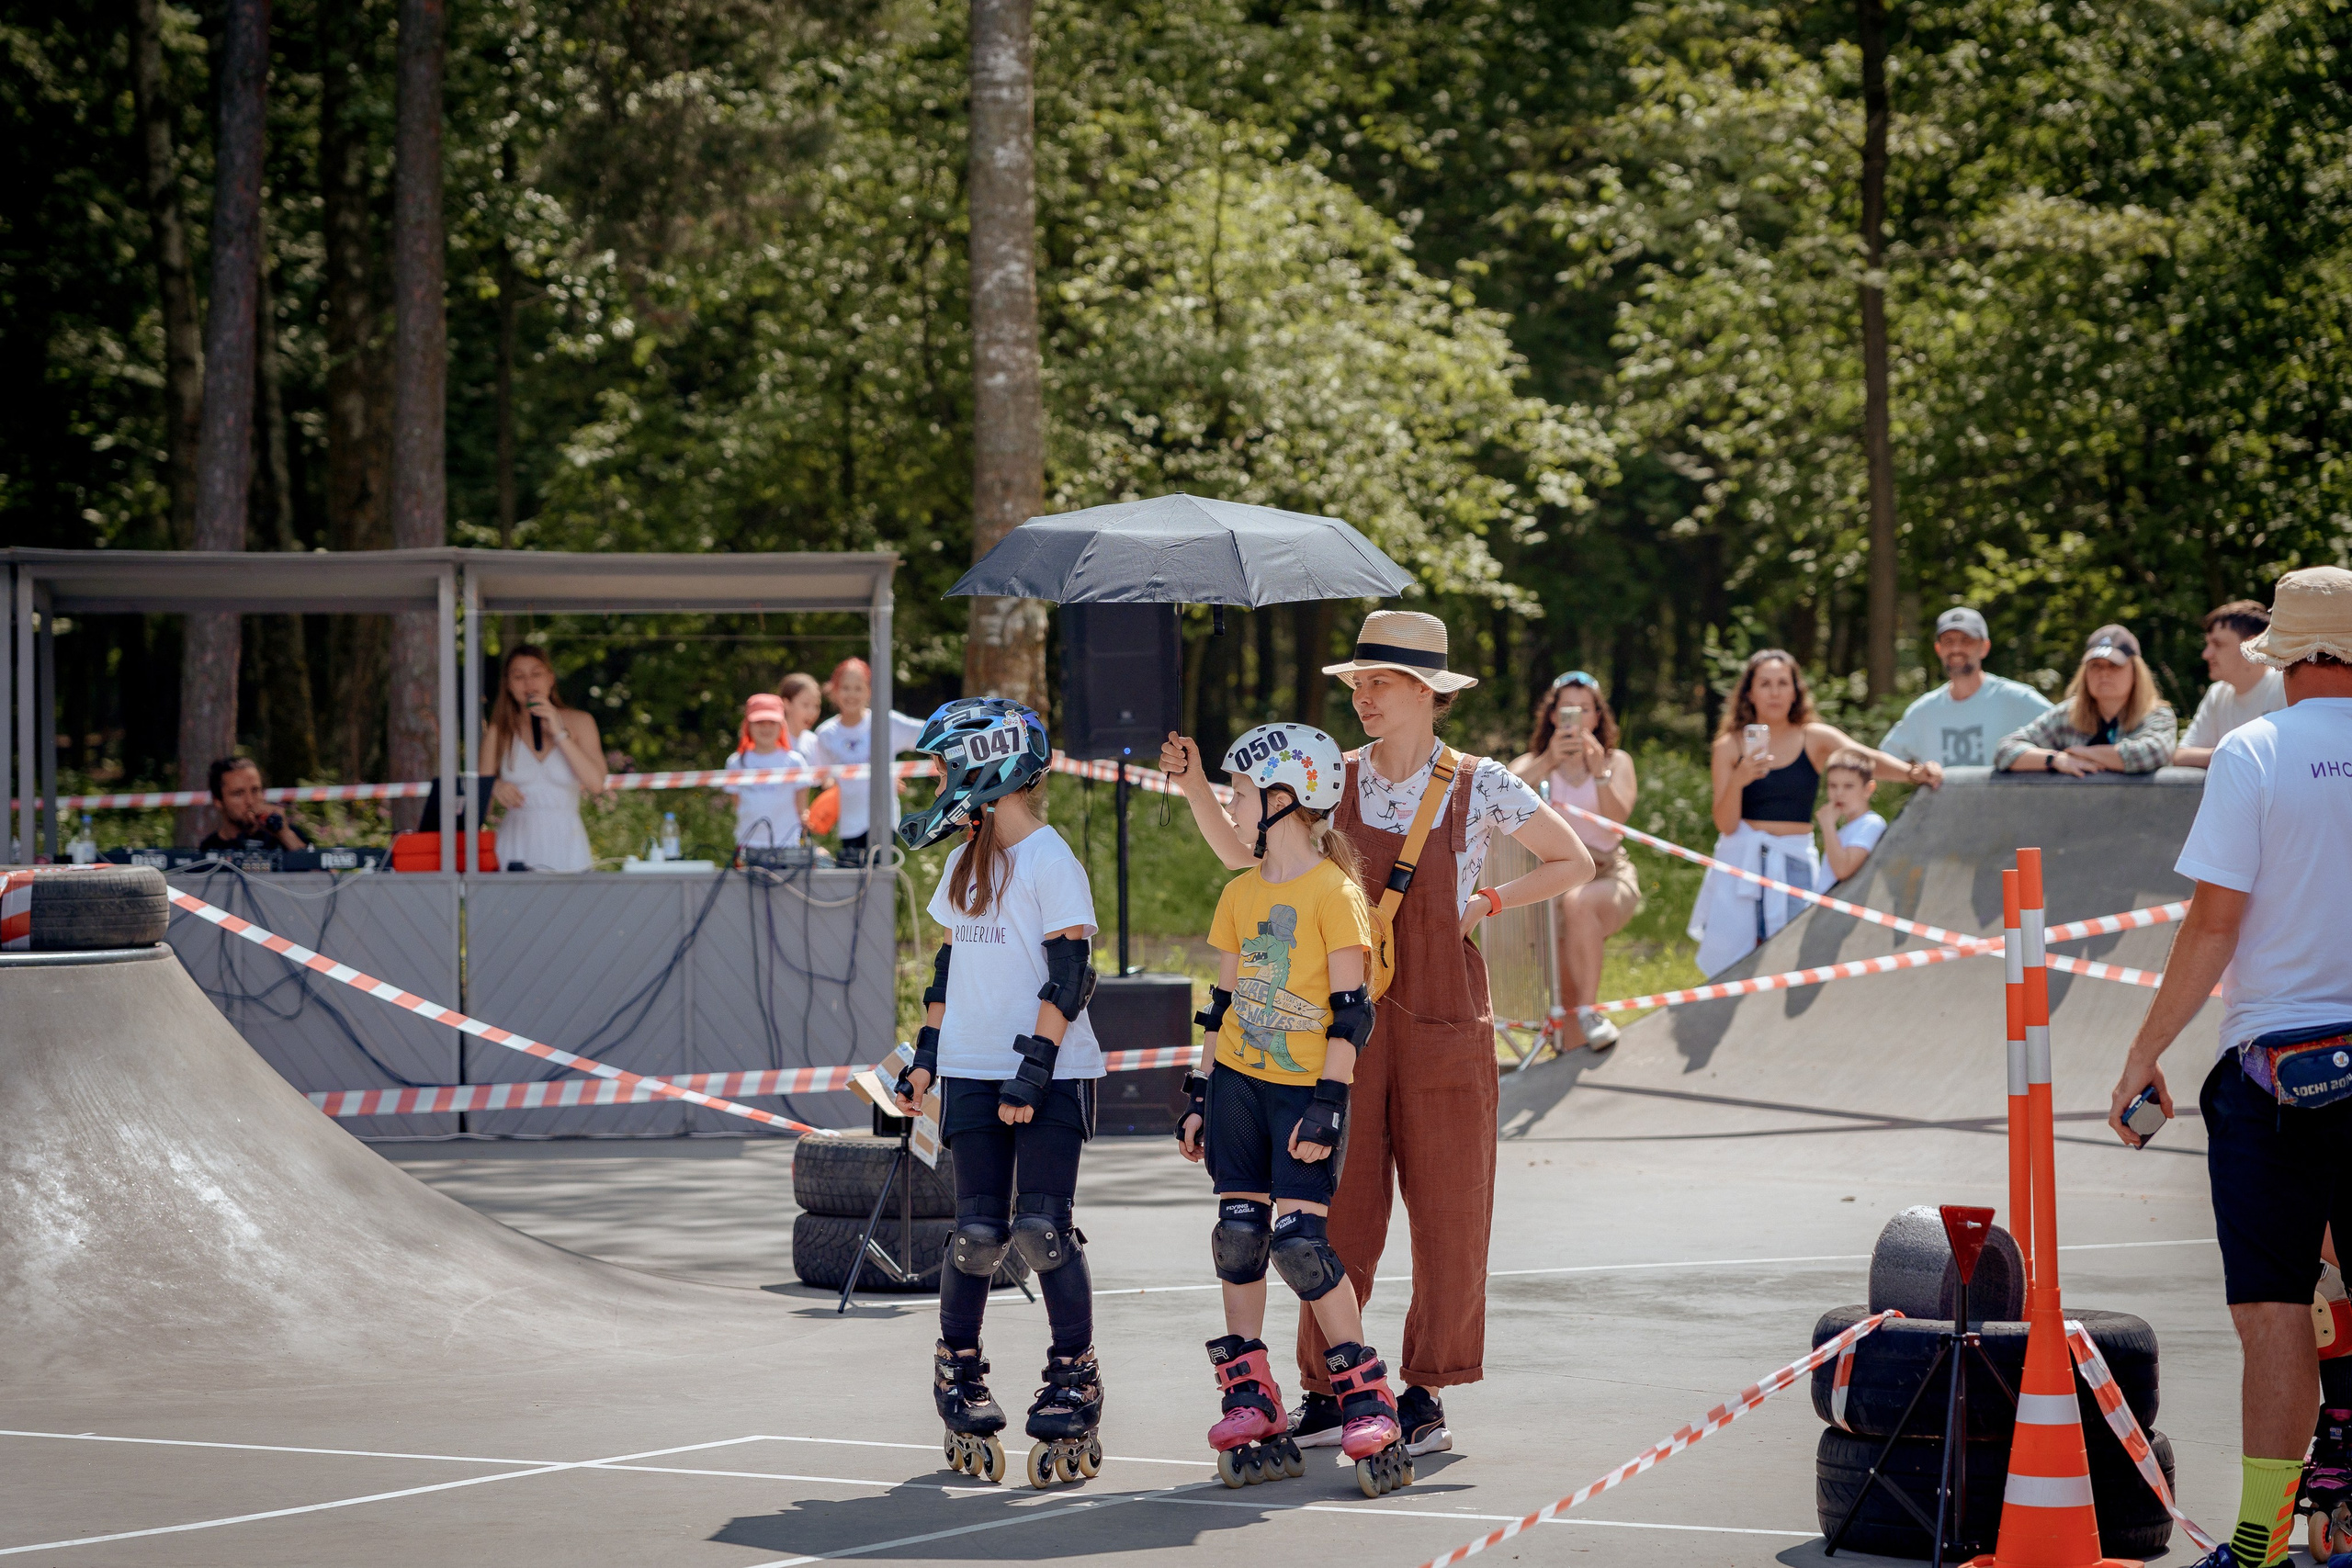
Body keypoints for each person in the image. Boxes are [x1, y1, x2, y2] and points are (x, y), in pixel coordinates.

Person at [1160, 609, 1591, 1459]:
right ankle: (1330, 1386)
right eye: (1357, 682)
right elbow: (1248, 864)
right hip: (1340, 1019)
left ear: (1428, 692)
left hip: (1443, 1012)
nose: (1363, 695)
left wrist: (1490, 901)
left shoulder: (1481, 780)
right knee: (1337, 1201)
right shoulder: (1332, 776)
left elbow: (1574, 859)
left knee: (1450, 1205)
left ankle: (1426, 1389)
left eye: (1379, 682)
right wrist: (1195, 787)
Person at [2102, 565, 2352, 1568]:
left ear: (2283, 655)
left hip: (2280, 1071)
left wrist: (2141, 1055)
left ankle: (2256, 1544)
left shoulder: (2254, 750)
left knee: (2274, 1308)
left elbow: (2213, 925)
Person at [1173, 724, 1413, 1496]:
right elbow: (1221, 1001)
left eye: (1239, 794)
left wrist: (1330, 1104)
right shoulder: (1239, 892)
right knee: (1237, 1236)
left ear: (1283, 801)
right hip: (1240, 1083)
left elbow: (1352, 1014)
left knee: (1299, 1243)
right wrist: (1201, 1092)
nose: (1232, 807)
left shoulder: (1335, 893)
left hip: (1303, 1091)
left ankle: (1367, 1395)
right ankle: (1250, 1393)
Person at [892, 697, 1106, 1490]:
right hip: (972, 1071)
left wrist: (1034, 1071)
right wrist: (926, 1056)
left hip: (1049, 1070)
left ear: (989, 764)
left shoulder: (1053, 861)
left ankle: (1072, 1372)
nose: (941, 780)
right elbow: (947, 972)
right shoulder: (964, 863)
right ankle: (959, 1367)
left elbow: (1070, 975)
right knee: (977, 1232)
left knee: (1043, 1229)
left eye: (948, 765)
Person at [1693, 649, 1932, 978]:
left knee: (1792, 957)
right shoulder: (1728, 746)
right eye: (1765, 683)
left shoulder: (1814, 737)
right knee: (1734, 965)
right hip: (1741, 864)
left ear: (1795, 691)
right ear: (1749, 692)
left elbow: (1866, 760)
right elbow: (1725, 823)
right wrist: (1739, 780)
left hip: (1794, 861)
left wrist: (1913, 773)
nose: (1775, 692)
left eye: (1782, 683)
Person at [1507, 672, 1640, 1050]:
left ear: (1598, 718)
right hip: (1552, 881)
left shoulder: (1618, 761)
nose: (1577, 719)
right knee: (1564, 999)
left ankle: (1591, 1011)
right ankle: (1573, 1057)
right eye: (1568, 710)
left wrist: (1600, 775)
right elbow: (1501, 791)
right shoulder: (1536, 763)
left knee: (1579, 903)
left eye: (1585, 709)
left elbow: (1618, 824)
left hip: (1607, 873)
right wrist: (1549, 759)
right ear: (1552, 717)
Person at [1877, 606, 2053, 768]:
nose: (1956, 648)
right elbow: (1884, 760)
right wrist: (1915, 775)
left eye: (1966, 640)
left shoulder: (2018, 700)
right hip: (1943, 804)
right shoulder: (1923, 711)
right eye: (1948, 641)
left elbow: (2068, 735)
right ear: (1938, 649)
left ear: (1984, 647)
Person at [1993, 624, 2177, 775]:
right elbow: (2005, 750)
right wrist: (2056, 759)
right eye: (2095, 666)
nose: (2104, 673)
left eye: (2114, 666)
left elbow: (2152, 753)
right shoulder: (2067, 715)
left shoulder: (2157, 715)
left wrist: (2084, 754)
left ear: (2136, 672)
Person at [484, 644, 605, 874]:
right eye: (519, 677)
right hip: (517, 842)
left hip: (567, 841)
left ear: (550, 678)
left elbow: (596, 784)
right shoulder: (498, 731)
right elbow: (479, 801)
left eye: (536, 674)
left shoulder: (581, 721)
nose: (529, 684)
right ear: (508, 685)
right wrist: (494, 786)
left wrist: (560, 733)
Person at [807, 658, 924, 859]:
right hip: (850, 825)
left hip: (884, 823)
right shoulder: (826, 734)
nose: (851, 694)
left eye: (858, 688)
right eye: (845, 688)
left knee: (883, 884)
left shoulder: (885, 722)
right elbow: (822, 778)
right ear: (835, 691)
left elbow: (928, 733)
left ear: (869, 692)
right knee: (856, 886)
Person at [2175, 600, 2288, 769]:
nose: (2206, 654)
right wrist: (2235, 754)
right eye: (2208, 644)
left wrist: (2228, 756)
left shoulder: (2283, 687)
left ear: (2252, 645)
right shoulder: (2218, 693)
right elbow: (2181, 755)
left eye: (2218, 644)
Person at [723, 693, 809, 849]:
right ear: (748, 725)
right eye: (759, 722)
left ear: (781, 726)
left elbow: (801, 805)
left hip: (787, 843)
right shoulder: (736, 762)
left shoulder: (794, 761)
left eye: (772, 722)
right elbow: (736, 803)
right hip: (748, 843)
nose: (766, 728)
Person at [195, 757, 311, 853]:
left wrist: (285, 835)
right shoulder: (209, 848)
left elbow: (322, 876)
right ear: (218, 801)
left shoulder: (285, 834)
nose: (250, 801)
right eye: (238, 794)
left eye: (255, 790)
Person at [1815, 749, 1887, 891]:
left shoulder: (1871, 824)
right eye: (1833, 785)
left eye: (1849, 786)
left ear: (1868, 789)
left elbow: (1842, 870)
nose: (1839, 793)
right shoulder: (1844, 830)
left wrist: (1828, 825)